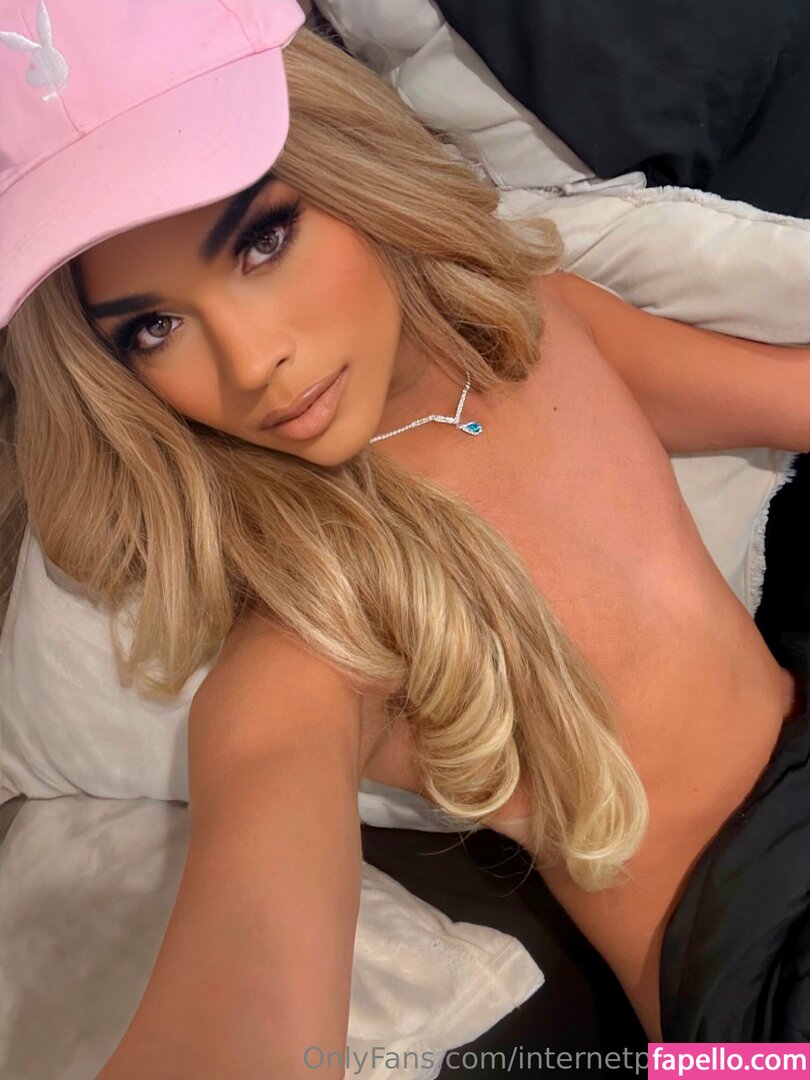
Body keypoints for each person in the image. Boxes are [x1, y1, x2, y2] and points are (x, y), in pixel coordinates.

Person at [0, 0, 808, 1073]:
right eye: (153, 327)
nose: (249, 360)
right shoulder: (309, 638)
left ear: (354, 174)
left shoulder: (537, 327)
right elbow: (246, 979)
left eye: (261, 239)